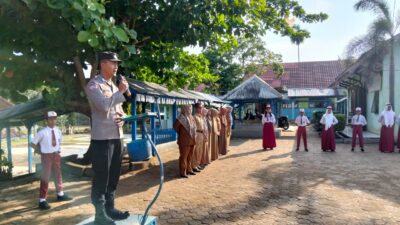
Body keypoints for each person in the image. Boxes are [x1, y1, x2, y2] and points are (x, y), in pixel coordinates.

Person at [85, 51, 130, 225]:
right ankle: (100, 213)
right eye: (113, 62)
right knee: (101, 176)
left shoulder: (112, 85)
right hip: (102, 140)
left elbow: (118, 109)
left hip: (117, 137)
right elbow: (104, 106)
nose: (116, 66)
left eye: (117, 63)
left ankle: (110, 208)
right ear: (103, 63)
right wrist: (120, 91)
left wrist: (122, 118)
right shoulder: (93, 85)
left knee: (114, 175)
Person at [30, 111, 72, 210]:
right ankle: (42, 200)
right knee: (46, 177)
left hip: (56, 155)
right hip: (46, 156)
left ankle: (60, 194)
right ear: (47, 120)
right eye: (50, 119)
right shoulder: (42, 132)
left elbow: (59, 142)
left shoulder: (58, 131)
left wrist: (58, 152)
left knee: (58, 175)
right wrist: (40, 151)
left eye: (54, 118)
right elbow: (32, 143)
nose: (53, 121)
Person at [173, 104, 197, 178]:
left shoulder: (192, 117)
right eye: (188, 109)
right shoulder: (180, 118)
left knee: (190, 156)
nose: (190, 110)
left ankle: (189, 169)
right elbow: (175, 127)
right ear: (184, 109)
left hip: (192, 140)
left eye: (191, 109)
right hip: (184, 141)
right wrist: (182, 134)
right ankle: (183, 172)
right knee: (184, 157)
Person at [192, 102, 205, 172]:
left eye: (201, 108)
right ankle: (194, 165)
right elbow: (193, 127)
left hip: (201, 134)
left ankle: (197, 163)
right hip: (197, 134)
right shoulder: (194, 117)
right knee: (196, 150)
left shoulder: (201, 117)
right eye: (199, 108)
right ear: (196, 108)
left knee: (200, 150)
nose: (201, 109)